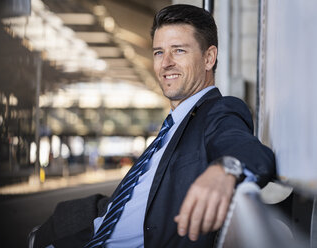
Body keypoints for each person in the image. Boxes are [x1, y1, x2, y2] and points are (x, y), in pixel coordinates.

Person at [32, 4, 276, 248]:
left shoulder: (218, 112)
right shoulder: (173, 125)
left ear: (208, 58)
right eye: (159, 52)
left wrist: (226, 169)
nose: (165, 63)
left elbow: (246, 148)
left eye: (178, 51)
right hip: (87, 233)